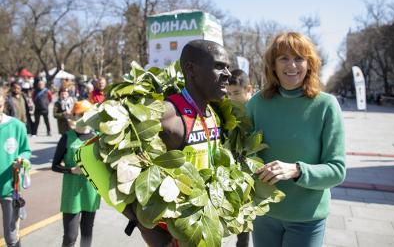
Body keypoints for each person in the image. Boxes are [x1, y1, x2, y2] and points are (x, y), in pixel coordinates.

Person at [122, 39, 231, 246]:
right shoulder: (166, 114)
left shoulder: (214, 113)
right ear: (191, 69)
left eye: (228, 67)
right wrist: (146, 227)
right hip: (175, 235)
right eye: (219, 66)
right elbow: (100, 160)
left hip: (202, 226)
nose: (228, 74)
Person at [246, 32, 346, 247]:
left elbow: (337, 170)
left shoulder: (326, 106)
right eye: (284, 58)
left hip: (307, 218)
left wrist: (297, 170)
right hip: (263, 213)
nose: (292, 65)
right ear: (272, 65)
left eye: (299, 58)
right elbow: (242, 155)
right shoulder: (256, 104)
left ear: (309, 64)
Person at [52, 100, 100, 247]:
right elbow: (54, 165)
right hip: (71, 193)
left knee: (87, 233)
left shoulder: (97, 138)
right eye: (80, 114)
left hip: (91, 192)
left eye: (87, 114)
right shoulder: (67, 137)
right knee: (70, 236)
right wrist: (71, 170)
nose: (84, 117)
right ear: (73, 115)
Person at [0, 90, 31, 247]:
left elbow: (26, 150)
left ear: (3, 104)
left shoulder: (17, 126)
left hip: (10, 188)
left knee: (11, 237)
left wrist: (22, 160)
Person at [227, 69, 253, 247]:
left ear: (248, 89)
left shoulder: (257, 110)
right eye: (228, 93)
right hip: (236, 171)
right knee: (241, 218)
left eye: (236, 93)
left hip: (255, 169)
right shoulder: (228, 110)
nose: (231, 98)